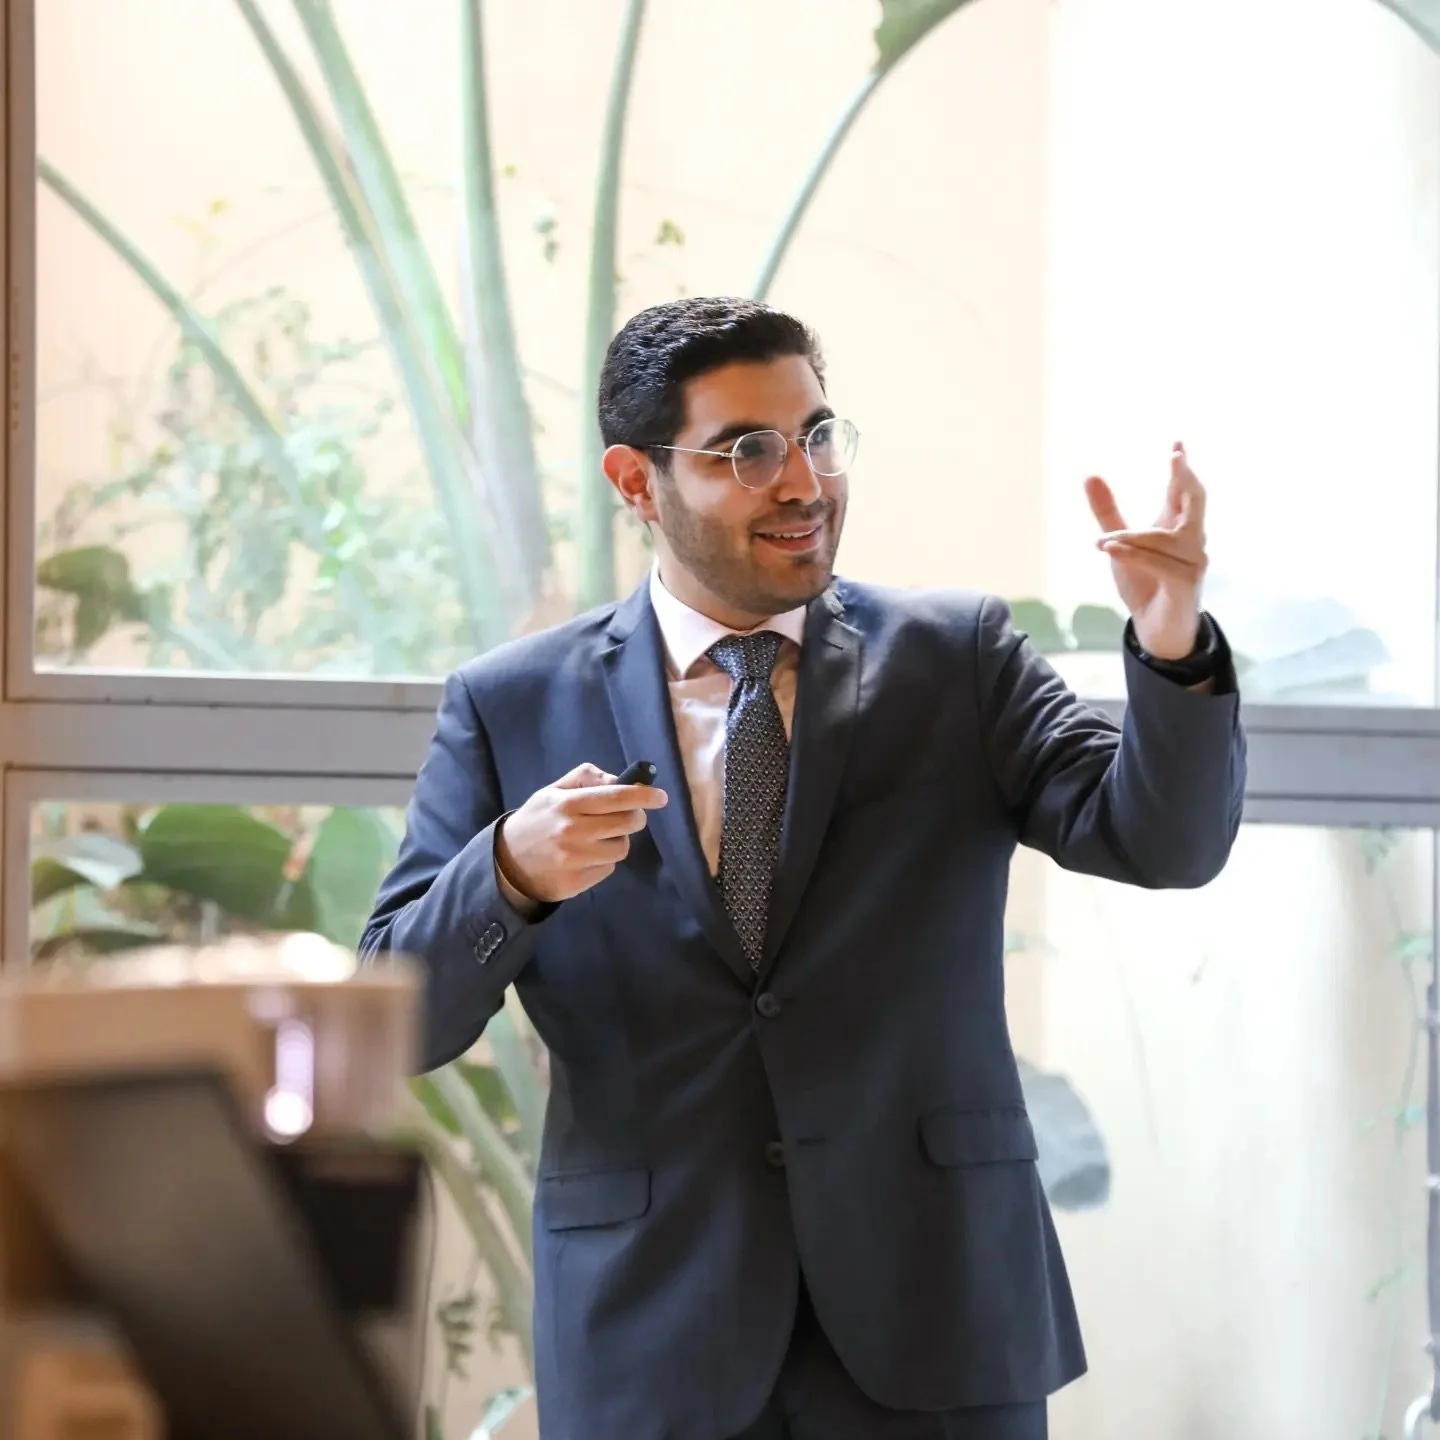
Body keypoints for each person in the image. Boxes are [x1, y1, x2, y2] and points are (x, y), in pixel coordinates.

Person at [361, 296, 1246, 1440]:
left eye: (818, 436)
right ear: (636, 482)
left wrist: (1171, 643)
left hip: (935, 1316)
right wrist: (510, 876)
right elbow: (393, 1020)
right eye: (749, 451)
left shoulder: (956, 660)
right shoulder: (512, 704)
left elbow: (1164, 841)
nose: (804, 482)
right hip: (652, 1339)